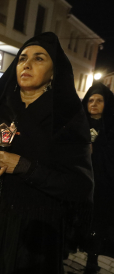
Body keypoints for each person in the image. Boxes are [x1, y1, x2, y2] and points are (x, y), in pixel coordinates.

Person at [0, 32, 94, 274]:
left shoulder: (66, 120)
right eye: (22, 58)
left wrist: (27, 167)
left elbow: (79, 185)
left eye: (39, 59)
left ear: (54, 71)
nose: (27, 64)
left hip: (31, 230)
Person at [82, 83, 114, 274]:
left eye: (99, 100)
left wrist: (97, 151)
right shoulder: (79, 123)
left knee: (98, 223)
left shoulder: (110, 126)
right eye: (91, 100)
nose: (94, 104)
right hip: (81, 181)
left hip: (102, 185)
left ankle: (91, 260)